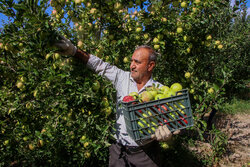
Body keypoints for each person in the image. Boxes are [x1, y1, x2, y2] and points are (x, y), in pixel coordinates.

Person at [54, 36, 180, 167]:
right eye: (131, 61)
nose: (132, 65)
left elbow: (171, 130)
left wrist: (169, 138)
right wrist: (74, 51)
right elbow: (100, 65)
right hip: (118, 151)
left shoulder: (162, 92)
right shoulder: (122, 78)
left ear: (150, 66)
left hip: (145, 154)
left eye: (137, 62)